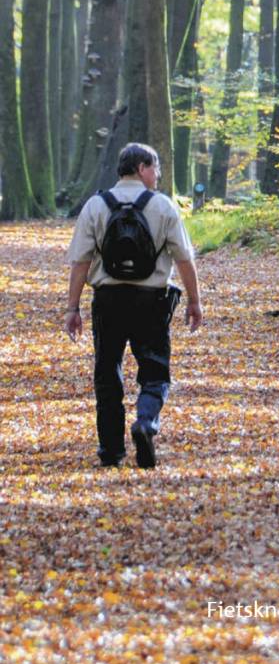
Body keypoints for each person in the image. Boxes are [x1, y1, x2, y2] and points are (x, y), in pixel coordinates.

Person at [65, 142, 203, 469]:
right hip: (151, 302)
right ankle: (146, 422)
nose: (158, 175)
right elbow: (184, 259)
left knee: (107, 373)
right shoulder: (163, 207)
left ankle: (111, 451)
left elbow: (80, 262)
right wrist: (194, 301)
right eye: (155, 168)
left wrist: (73, 308)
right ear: (141, 168)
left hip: (108, 300)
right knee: (155, 370)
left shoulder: (95, 206)